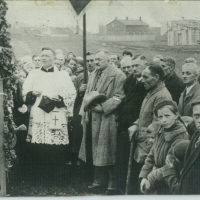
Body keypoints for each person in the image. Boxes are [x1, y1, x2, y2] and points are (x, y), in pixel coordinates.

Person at [22, 47, 76, 183]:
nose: (44, 58)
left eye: (47, 56)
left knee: (55, 144)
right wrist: (32, 94)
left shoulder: (63, 75)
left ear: (54, 59)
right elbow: (24, 92)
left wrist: (61, 98)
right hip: (39, 113)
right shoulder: (33, 74)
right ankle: (39, 176)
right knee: (39, 144)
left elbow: (71, 93)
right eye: (42, 56)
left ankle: (56, 176)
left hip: (56, 113)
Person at [79, 50, 126, 194]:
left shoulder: (118, 75)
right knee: (95, 150)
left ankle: (111, 184)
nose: (96, 62)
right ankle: (98, 181)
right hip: (92, 117)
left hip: (107, 118)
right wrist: (83, 112)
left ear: (108, 61)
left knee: (108, 151)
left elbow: (119, 97)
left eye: (99, 60)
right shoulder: (94, 73)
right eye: (94, 60)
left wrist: (103, 107)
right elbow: (88, 95)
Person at [128, 62, 172, 193]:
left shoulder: (162, 96)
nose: (142, 80)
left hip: (149, 147)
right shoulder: (151, 92)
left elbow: (158, 124)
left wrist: (149, 146)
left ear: (157, 77)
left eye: (146, 77)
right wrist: (136, 124)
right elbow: (144, 116)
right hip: (142, 145)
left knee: (147, 184)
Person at [139, 100, 188, 194]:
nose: (163, 120)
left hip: (169, 181)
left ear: (176, 115)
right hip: (156, 178)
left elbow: (171, 166)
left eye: (167, 116)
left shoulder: (180, 135)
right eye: (160, 117)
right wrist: (144, 176)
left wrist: (151, 178)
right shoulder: (161, 131)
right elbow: (151, 155)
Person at [116, 56, 147, 194]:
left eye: (137, 65)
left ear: (145, 66)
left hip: (136, 126)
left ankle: (132, 189)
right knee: (122, 157)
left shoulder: (146, 84)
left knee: (134, 160)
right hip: (124, 126)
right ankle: (122, 187)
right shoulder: (130, 80)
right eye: (132, 65)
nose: (134, 68)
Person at [158, 97, 200, 194]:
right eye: (197, 116)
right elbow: (184, 145)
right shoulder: (197, 134)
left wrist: (169, 172)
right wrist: (172, 153)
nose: (199, 120)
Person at [71, 51, 96, 165]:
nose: (90, 63)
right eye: (87, 61)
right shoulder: (80, 77)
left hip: (94, 110)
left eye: (92, 61)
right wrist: (79, 91)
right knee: (79, 134)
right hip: (81, 109)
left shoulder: (99, 76)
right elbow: (71, 96)